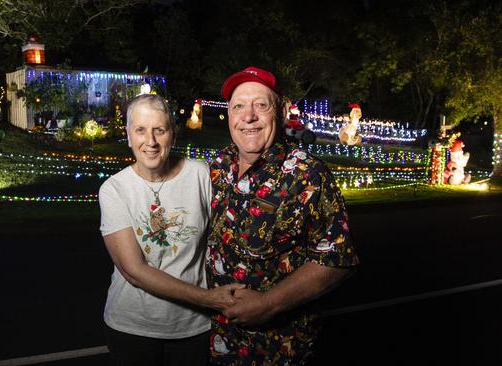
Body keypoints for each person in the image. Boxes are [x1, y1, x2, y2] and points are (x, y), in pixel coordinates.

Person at [206, 66, 360, 365]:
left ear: (283, 110)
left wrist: (268, 303)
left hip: (277, 349)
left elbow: (338, 260)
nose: (248, 116)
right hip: (216, 341)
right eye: (239, 106)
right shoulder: (218, 165)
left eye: (261, 105)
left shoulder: (308, 175)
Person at [98, 93, 244, 366]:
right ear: (129, 136)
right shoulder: (114, 189)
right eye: (140, 130)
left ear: (173, 135)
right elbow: (135, 271)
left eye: (159, 130)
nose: (150, 142)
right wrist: (209, 298)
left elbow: (228, 232)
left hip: (193, 328)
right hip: (133, 328)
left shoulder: (200, 174)